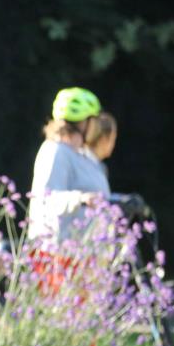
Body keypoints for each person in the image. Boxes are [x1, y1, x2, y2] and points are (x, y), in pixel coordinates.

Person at [28, 87, 111, 243]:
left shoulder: (82, 156)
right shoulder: (55, 151)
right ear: (85, 123)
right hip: (56, 255)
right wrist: (80, 198)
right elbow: (47, 198)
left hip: (83, 257)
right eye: (95, 120)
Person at [83, 111, 117, 179]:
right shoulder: (79, 162)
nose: (113, 145)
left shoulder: (101, 167)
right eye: (113, 139)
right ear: (104, 139)